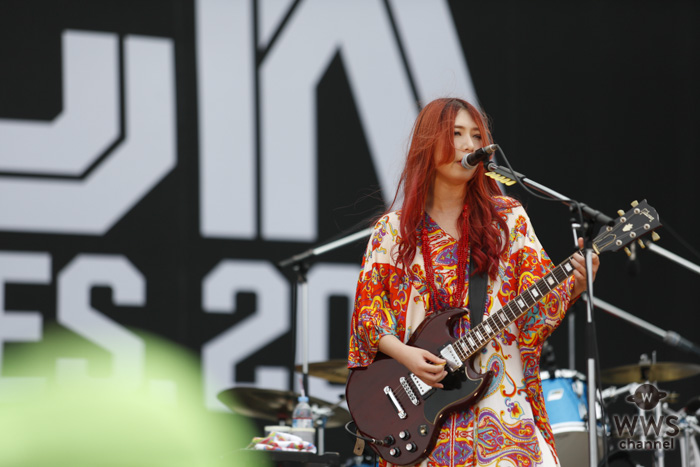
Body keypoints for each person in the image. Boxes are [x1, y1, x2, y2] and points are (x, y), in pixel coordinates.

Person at [348, 98, 600, 467]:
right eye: (456, 134)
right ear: (427, 143)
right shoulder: (393, 231)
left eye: (476, 136)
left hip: (501, 411)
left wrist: (576, 285)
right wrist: (406, 355)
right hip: (420, 418)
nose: (469, 145)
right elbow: (367, 315)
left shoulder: (508, 220)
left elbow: (535, 318)